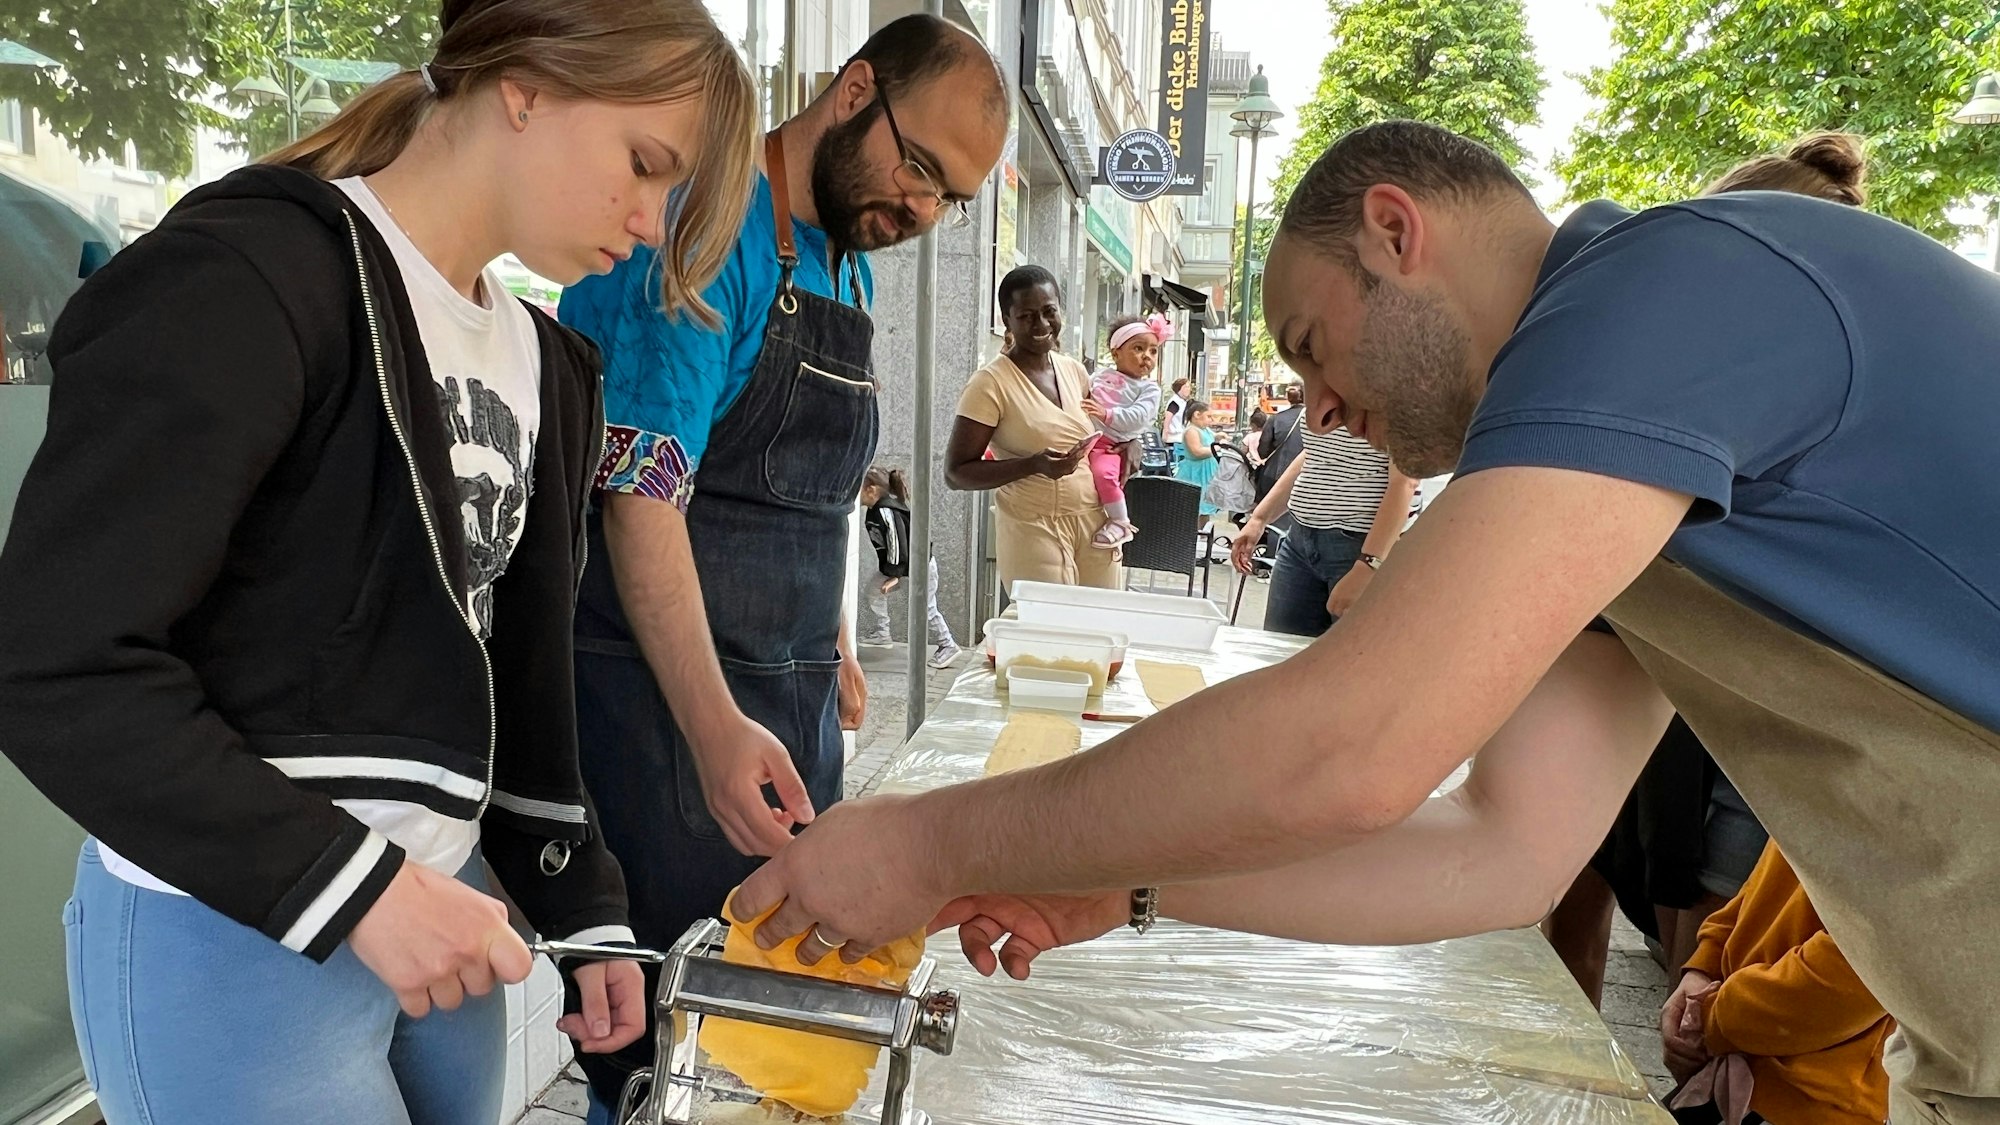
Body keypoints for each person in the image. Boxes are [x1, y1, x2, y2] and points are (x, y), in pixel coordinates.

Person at [730, 119, 2000, 1125]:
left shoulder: (1668, 283)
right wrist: (1124, 887)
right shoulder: (1627, 471)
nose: (1319, 410)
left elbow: (1355, 745)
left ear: (1394, 232)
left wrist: (925, 843)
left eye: (1310, 345)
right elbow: (1504, 849)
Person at [0, 2, 760, 1121]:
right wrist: (358, 892)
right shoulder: (246, 276)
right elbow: (54, 661)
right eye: (644, 166)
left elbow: (517, 683)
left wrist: (583, 903)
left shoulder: (551, 365)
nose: (650, 222)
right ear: (527, 82)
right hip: (228, 927)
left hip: (440, 928)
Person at [553, 14, 1008, 1113]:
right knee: (679, 1048)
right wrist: (713, 732)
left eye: (948, 198)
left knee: (781, 1024)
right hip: (664, 715)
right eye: (918, 170)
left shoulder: (844, 263)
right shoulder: (706, 230)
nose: (920, 211)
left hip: (790, 701)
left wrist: (836, 643)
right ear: (853, 91)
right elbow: (639, 503)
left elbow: (816, 493)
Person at [1545, 131, 1865, 1008]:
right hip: (1669, 698)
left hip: (1734, 729)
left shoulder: (1803, 377)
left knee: (1702, 981)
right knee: (1627, 938)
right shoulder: (1721, 361)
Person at [1660, 840, 1893, 1125]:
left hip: (1811, 1099)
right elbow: (1760, 885)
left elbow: (1848, 976)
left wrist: (1707, 1016)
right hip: (1738, 1067)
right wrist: (1703, 969)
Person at [946, 266, 1122, 590]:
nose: (1041, 324)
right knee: (1046, 633)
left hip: (1094, 522)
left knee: (1102, 630)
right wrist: (1033, 465)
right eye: (1026, 315)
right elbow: (956, 473)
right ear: (1006, 320)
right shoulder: (990, 384)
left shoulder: (1074, 371)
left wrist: (1128, 444)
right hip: (1033, 526)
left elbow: (1098, 434)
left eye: (1048, 311)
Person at [1231, 423, 1419, 635]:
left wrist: (1368, 564)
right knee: (1281, 649)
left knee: (1351, 655)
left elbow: (1404, 483)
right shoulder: (1333, 394)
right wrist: (1259, 519)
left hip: (1357, 545)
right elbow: (1314, 451)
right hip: (1299, 540)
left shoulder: (1400, 398)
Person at [859, 465, 962, 669]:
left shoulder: (886, 510)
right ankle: (882, 633)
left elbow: (897, 543)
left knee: (926, 607)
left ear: (871, 490)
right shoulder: (876, 510)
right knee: (873, 591)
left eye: (858, 489)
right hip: (901, 566)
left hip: (917, 567)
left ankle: (948, 645)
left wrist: (895, 575)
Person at [1083, 313, 1165, 549]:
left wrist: (1106, 414)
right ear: (1115, 352)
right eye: (1138, 348)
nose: (1146, 357)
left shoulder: (1149, 389)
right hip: (1086, 438)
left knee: (1104, 474)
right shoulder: (1099, 377)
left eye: (1153, 351)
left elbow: (1139, 417)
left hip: (1110, 446)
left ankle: (1120, 522)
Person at [1255, 383, 1308, 503]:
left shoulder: (1275, 419)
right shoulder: (1315, 422)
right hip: (1304, 478)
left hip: (1274, 477)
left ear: (1287, 397)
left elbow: (1263, 451)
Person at [1173, 400, 1220, 516]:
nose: (1211, 420)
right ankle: (1196, 531)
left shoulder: (1204, 429)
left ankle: (1204, 531)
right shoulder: (1191, 431)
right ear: (1197, 415)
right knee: (1197, 505)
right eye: (1208, 416)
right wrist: (1216, 449)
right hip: (1196, 472)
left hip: (1208, 469)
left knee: (1207, 505)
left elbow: (1210, 437)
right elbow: (1197, 451)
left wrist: (1219, 436)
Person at [1162, 376, 1192, 459]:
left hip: (1180, 437)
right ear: (1180, 388)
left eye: (1189, 387)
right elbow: (1168, 418)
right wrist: (1165, 432)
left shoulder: (1182, 401)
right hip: (1174, 438)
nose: (1188, 389)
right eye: (1186, 387)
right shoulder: (1175, 402)